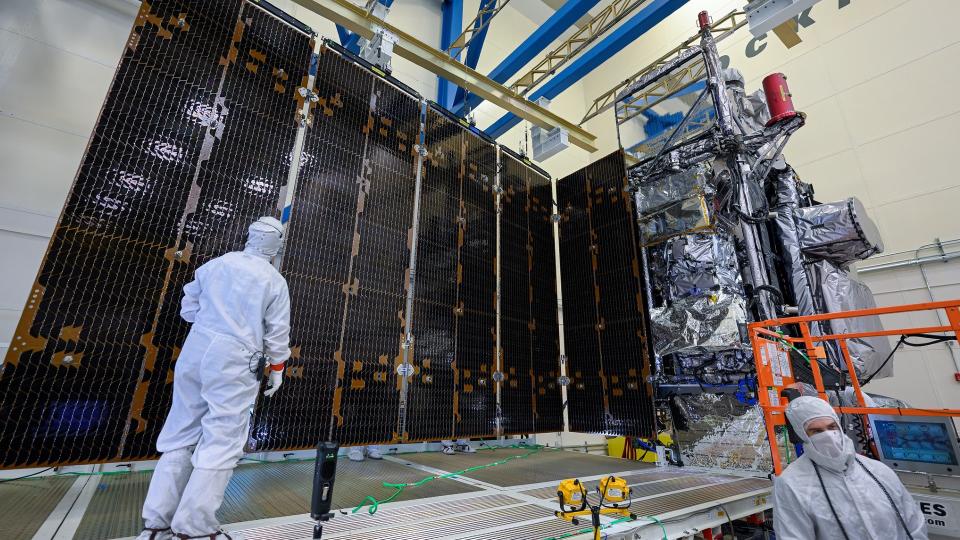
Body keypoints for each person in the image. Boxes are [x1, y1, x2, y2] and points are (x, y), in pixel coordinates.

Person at [137, 217, 291, 540]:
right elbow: (277, 334)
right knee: (222, 441)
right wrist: (277, 368)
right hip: (234, 361)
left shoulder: (217, 264)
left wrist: (208, 325)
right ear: (276, 245)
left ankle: (156, 524)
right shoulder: (274, 282)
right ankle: (194, 527)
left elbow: (188, 303)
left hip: (195, 351)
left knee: (180, 433)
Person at [773, 396, 927, 540]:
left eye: (832, 427)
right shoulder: (791, 483)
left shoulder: (877, 470)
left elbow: (913, 522)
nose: (828, 435)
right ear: (803, 435)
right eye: (816, 431)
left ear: (839, 426)